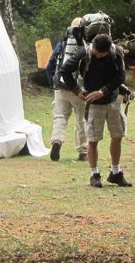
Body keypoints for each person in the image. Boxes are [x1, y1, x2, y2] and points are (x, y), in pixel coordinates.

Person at [59, 33, 131, 188]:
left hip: (113, 100)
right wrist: (77, 90)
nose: (97, 55)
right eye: (95, 53)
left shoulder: (116, 52)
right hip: (93, 104)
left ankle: (116, 172)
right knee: (93, 140)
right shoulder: (84, 52)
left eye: (100, 54)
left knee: (117, 136)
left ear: (107, 51)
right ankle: (94, 174)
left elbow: (120, 76)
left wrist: (103, 91)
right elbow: (64, 71)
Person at [49, 17, 88, 161]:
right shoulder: (86, 46)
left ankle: (57, 141)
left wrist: (53, 81)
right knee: (81, 119)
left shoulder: (62, 44)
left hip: (60, 86)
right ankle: (83, 151)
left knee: (60, 116)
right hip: (78, 88)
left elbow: (51, 64)